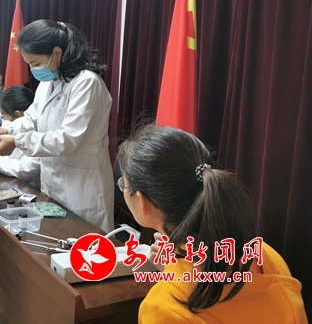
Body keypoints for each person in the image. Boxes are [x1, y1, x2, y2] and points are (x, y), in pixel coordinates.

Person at [115, 124, 307, 323]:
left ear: (143, 202)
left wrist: (178, 276)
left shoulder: (163, 309)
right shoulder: (264, 254)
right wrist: (174, 271)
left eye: (123, 185)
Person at [0, 20, 115, 232]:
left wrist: (17, 141)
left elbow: (68, 139)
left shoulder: (87, 83)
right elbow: (32, 118)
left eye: (35, 63)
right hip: (52, 183)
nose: (33, 69)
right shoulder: (48, 83)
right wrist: (7, 129)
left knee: (84, 245)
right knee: (54, 238)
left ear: (57, 53)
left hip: (82, 188)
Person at [0, 86, 41, 189]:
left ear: (18, 115)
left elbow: (26, 170)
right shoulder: (12, 127)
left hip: (29, 189)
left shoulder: (37, 137)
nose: (3, 121)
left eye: (3, 116)